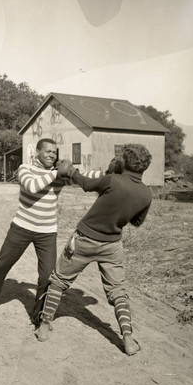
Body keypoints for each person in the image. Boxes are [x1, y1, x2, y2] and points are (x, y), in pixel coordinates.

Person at [35, 143, 153, 356]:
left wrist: (70, 170)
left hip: (85, 238)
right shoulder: (146, 194)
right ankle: (128, 339)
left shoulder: (112, 180)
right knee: (118, 291)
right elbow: (136, 221)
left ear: (125, 162)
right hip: (112, 245)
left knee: (59, 280)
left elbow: (86, 184)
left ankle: (43, 326)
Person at [0, 138, 101, 325]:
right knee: (1, 265)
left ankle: (38, 316)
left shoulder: (57, 173)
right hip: (21, 227)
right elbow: (32, 186)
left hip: (47, 232)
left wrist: (109, 173)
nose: (52, 155)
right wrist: (55, 174)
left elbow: (86, 176)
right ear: (38, 152)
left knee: (47, 276)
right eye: (48, 151)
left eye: (54, 152)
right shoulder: (25, 168)